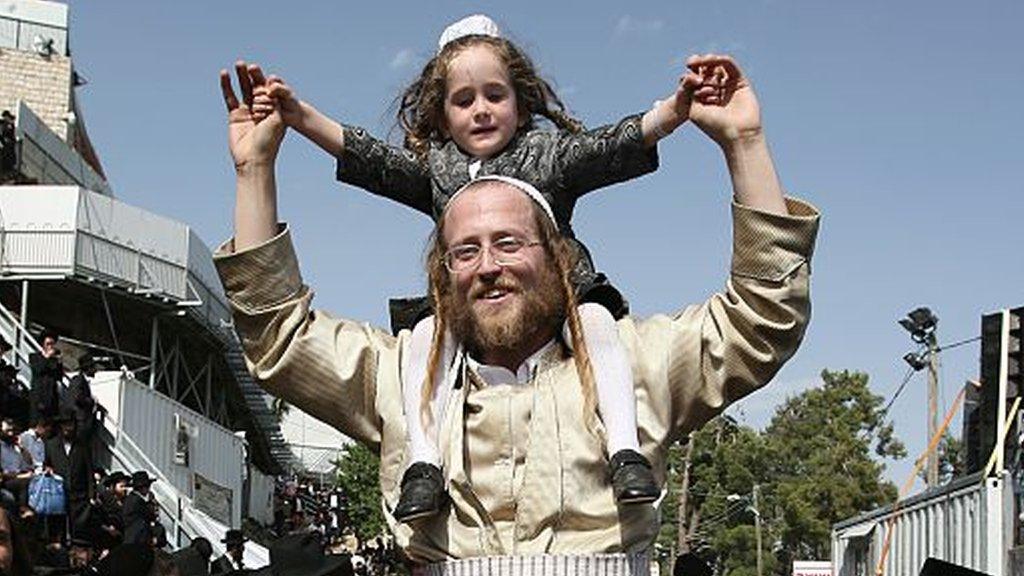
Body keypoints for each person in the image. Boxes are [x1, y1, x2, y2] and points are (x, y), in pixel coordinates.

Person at [217, 50, 818, 571]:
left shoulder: (636, 365)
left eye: (508, 243)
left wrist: (744, 145)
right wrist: (253, 173)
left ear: (558, 258)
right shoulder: (399, 378)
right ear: (441, 273)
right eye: (465, 251)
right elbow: (279, 338)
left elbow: (762, 318)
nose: (487, 265)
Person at [250, 14, 695, 520]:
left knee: (598, 326)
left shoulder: (547, 153)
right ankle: (423, 461)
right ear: (441, 116)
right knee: (425, 339)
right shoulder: (437, 167)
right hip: (467, 308)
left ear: (521, 104)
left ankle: (624, 449)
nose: (481, 111)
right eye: (464, 101)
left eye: (494, 96)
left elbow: (607, 147)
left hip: (562, 296)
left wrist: (671, 114)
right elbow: (373, 161)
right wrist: (301, 117)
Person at [44, 409, 93, 542]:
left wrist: (91, 495)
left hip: (79, 495)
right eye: (65, 424)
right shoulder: (51, 444)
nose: (68, 428)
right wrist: (48, 471)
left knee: (78, 528)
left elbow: (89, 471)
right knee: (57, 525)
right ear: (60, 426)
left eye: (70, 424)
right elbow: (46, 464)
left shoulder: (82, 446)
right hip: (58, 493)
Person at [29, 329, 63, 425]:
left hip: (51, 398)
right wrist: (47, 357)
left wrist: (59, 363)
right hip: (39, 397)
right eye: (48, 344)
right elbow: (38, 370)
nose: (50, 346)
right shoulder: (34, 357)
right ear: (43, 344)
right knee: (37, 424)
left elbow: (59, 377)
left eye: (52, 344)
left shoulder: (54, 361)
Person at [121, 471, 157, 546]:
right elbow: (150, 516)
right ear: (142, 487)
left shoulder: (131, 499)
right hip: (137, 539)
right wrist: (150, 503)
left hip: (131, 538)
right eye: (147, 486)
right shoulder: (137, 501)